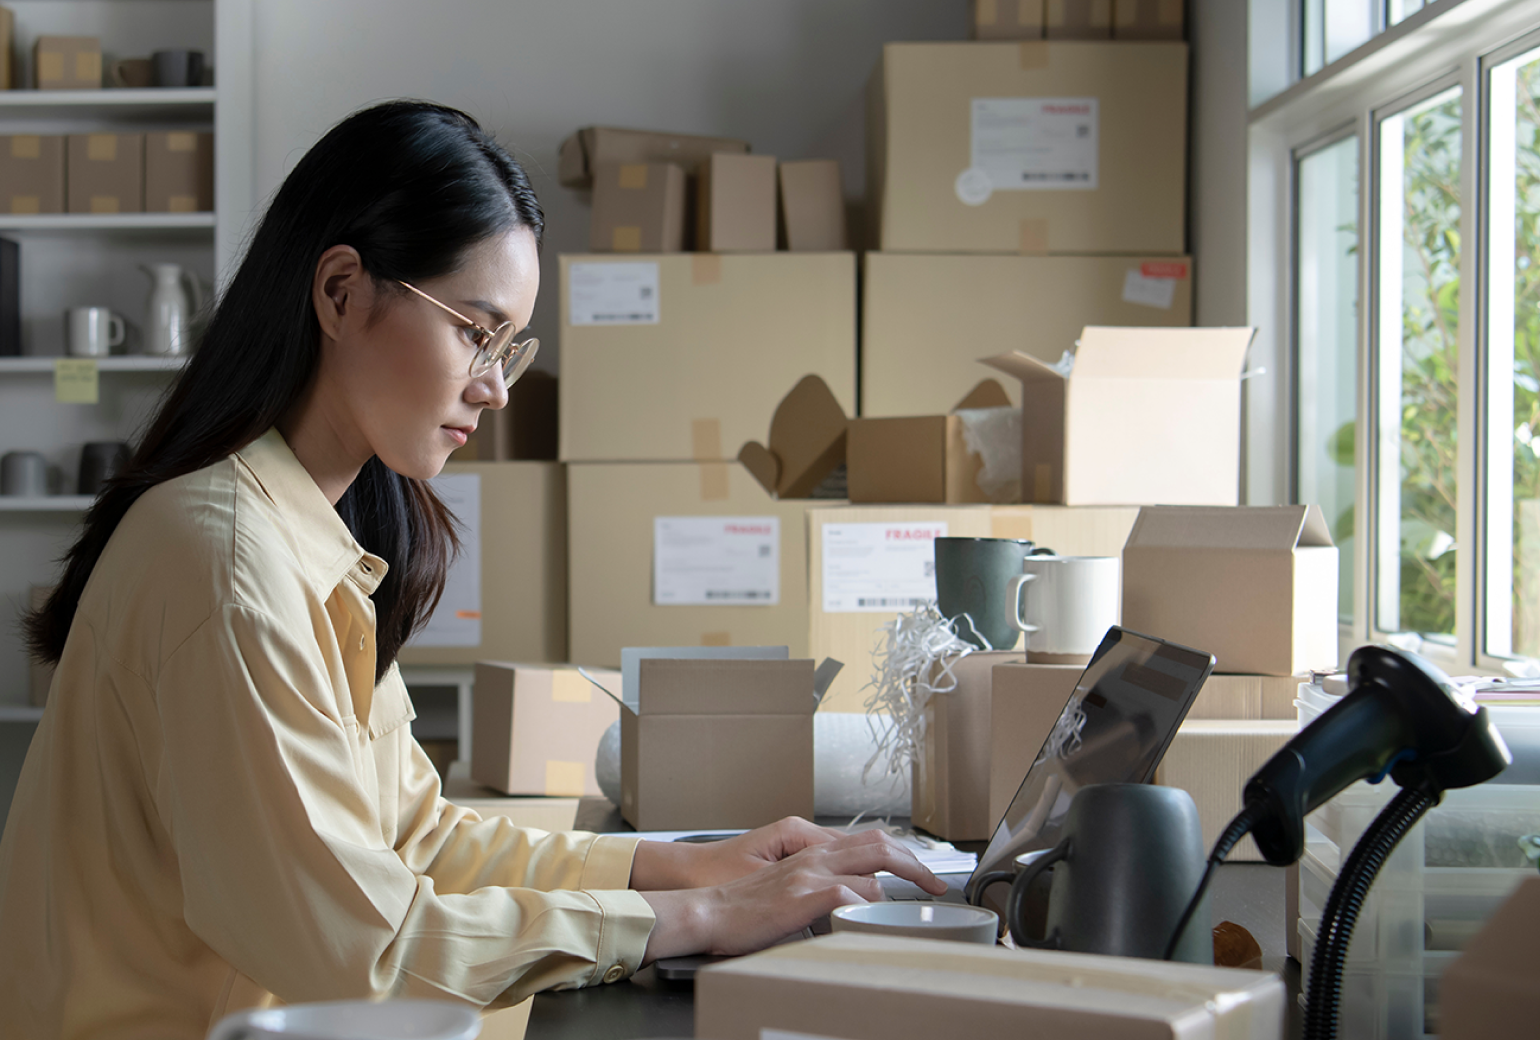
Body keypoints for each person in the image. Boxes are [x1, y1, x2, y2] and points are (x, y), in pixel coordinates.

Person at [0, 100, 944, 1039]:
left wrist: (692, 867)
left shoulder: (304, 535)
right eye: (475, 331)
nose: (495, 387)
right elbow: (363, 948)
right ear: (340, 292)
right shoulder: (226, 560)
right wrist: (699, 919)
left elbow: (420, 841)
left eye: (508, 347)